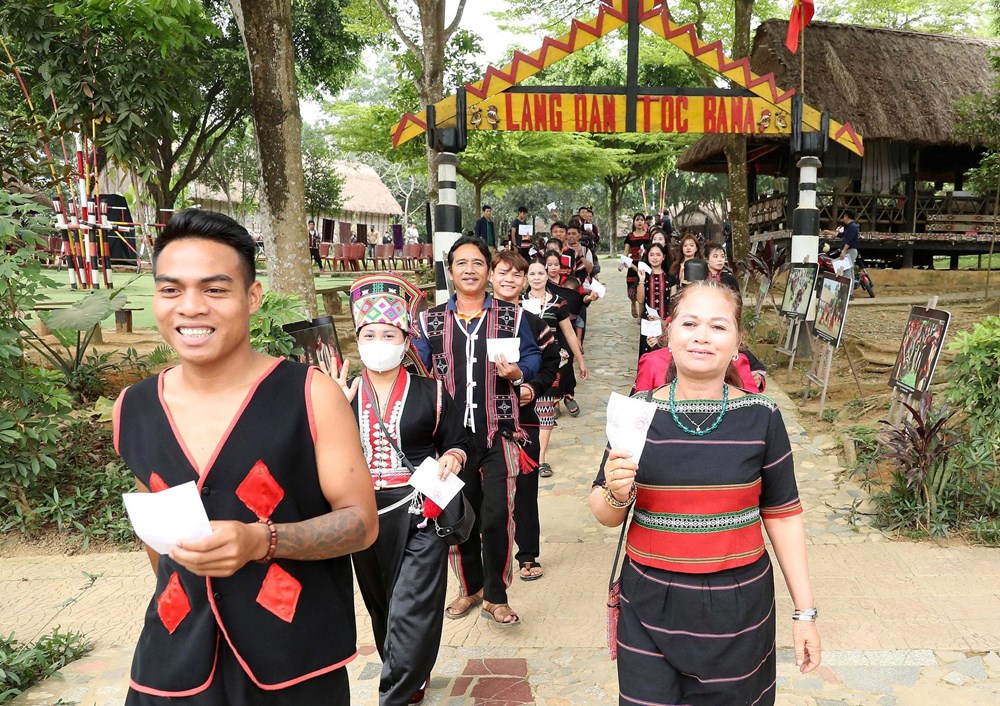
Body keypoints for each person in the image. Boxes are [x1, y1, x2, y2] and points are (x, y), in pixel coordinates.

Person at [114, 209, 379, 705]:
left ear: (252, 297)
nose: (191, 307)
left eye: (215, 289)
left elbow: (361, 524)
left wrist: (262, 540)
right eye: (171, 289)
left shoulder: (309, 395)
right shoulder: (134, 407)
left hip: (292, 659)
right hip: (173, 659)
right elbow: (157, 536)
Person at [591, 281, 820, 706]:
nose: (702, 336)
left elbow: (783, 515)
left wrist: (804, 613)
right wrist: (618, 493)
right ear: (668, 333)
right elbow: (605, 512)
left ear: (737, 343)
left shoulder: (762, 416)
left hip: (740, 609)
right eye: (690, 323)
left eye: (718, 326)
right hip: (648, 601)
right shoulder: (636, 412)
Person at [336, 273, 467, 706]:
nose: (379, 342)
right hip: (363, 514)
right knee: (382, 605)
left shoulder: (432, 392)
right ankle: (409, 672)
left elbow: (458, 438)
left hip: (419, 511)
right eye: (369, 335)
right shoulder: (337, 396)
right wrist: (333, 408)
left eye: (388, 334)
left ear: (405, 339)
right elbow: (313, 452)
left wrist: (453, 456)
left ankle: (397, 693)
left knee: (412, 606)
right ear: (357, 340)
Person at [413, 236, 542, 626]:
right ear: (450, 271)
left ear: (488, 271)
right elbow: (417, 368)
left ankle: (496, 596)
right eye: (461, 263)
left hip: (499, 432)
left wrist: (518, 373)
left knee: (497, 515)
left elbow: (533, 355)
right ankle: (469, 588)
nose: (469, 270)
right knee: (456, 514)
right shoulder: (430, 321)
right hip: (447, 439)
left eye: (477, 263)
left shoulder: (512, 316)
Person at [488, 251, 561, 581]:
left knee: (525, 488)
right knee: (486, 490)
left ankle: (527, 553)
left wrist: (532, 386)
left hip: (523, 418)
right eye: (502, 272)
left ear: (524, 281)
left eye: (516, 274)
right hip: (483, 419)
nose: (509, 279)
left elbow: (551, 363)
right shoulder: (475, 321)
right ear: (491, 276)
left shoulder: (533, 323)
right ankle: (487, 556)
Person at [524, 258, 588, 477]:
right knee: (526, 408)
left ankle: (540, 459)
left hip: (551, 363)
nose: (536, 278)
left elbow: (569, 333)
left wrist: (580, 360)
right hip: (525, 363)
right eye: (532, 274)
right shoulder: (518, 302)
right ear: (526, 278)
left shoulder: (559, 303)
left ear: (547, 276)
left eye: (540, 273)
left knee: (546, 410)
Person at [634, 242, 677, 358]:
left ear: (663, 257)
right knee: (648, 354)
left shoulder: (670, 277)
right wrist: (641, 280)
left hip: (665, 320)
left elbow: (673, 302)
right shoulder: (644, 276)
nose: (655, 257)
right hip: (648, 321)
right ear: (647, 257)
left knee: (665, 354)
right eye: (651, 255)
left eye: (658, 255)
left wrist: (665, 320)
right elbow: (640, 300)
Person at [623, 213, 650, 318]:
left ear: (644, 222)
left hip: (646, 263)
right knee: (632, 288)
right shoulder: (630, 236)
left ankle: (641, 315)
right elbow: (625, 253)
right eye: (637, 220)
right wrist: (624, 262)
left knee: (644, 288)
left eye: (641, 220)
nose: (639, 222)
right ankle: (633, 303)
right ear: (634, 222)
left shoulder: (649, 236)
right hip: (633, 264)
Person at [822, 210, 860, 281]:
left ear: (846, 216)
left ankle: (848, 286)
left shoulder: (852, 227)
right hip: (850, 250)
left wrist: (843, 251)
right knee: (849, 270)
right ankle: (851, 286)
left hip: (849, 250)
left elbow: (849, 240)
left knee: (846, 269)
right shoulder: (850, 227)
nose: (843, 219)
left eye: (844, 217)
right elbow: (840, 235)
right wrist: (829, 232)